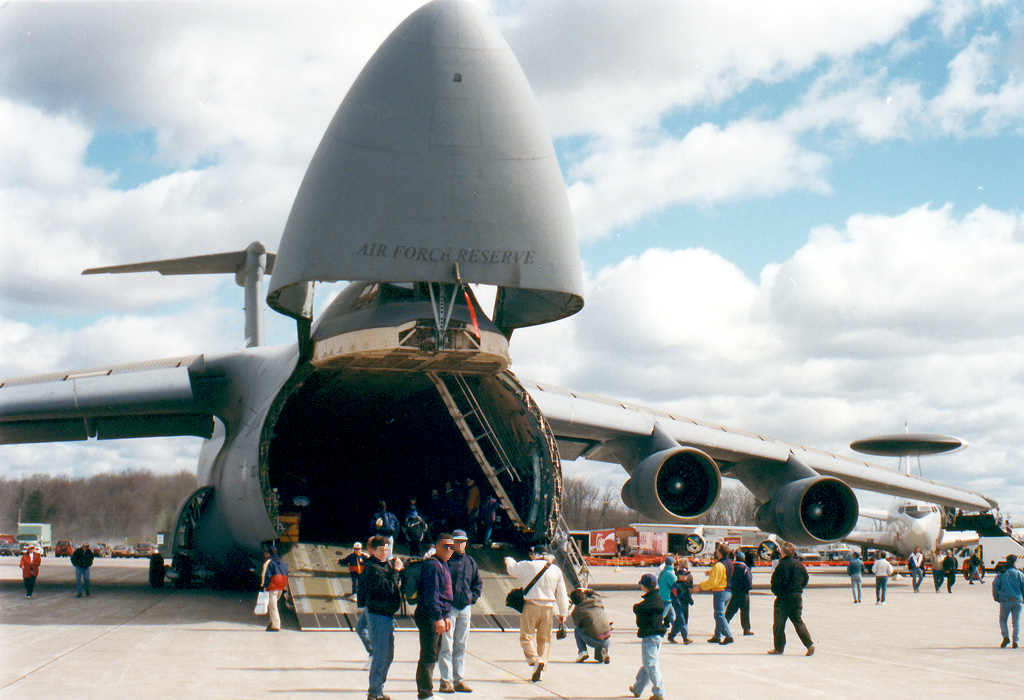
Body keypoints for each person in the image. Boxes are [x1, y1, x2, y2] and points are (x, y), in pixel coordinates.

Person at [504, 545, 570, 682]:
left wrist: (509, 559)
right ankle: (541, 670)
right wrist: (563, 613)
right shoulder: (556, 570)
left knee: (526, 637)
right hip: (548, 608)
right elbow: (562, 593)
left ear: (536, 554)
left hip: (531, 605)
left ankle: (535, 660)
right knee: (545, 640)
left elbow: (512, 569)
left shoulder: (529, 565)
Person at [359, 535, 405, 700]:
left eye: (387, 549)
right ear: (373, 551)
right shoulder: (373, 568)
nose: (385, 552)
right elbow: (386, 589)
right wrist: (396, 571)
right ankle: (374, 692)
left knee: (388, 654)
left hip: (385, 615)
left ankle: (378, 688)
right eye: (381, 549)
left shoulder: (384, 565)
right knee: (381, 654)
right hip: (378, 615)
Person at [438, 530, 482, 693]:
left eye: (463, 541)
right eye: (457, 541)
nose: (461, 544)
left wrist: (472, 598)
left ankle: (459, 679)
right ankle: (445, 680)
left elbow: (477, 582)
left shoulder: (470, 561)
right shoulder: (446, 561)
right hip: (449, 609)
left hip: (465, 608)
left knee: (461, 645)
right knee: (446, 645)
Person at [415, 532, 455, 699]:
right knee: (429, 654)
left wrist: (445, 616)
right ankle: (425, 693)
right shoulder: (433, 566)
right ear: (437, 547)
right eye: (445, 546)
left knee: (434, 653)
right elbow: (432, 595)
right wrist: (438, 617)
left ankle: (426, 691)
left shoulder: (443, 564)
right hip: (429, 616)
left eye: (451, 547)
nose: (448, 550)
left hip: (437, 615)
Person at [767, 542, 814, 656]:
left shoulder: (781, 565)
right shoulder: (799, 564)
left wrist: (777, 592)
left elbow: (774, 582)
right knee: (798, 622)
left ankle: (779, 648)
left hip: (783, 598)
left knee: (779, 625)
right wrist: (798, 588)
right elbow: (806, 578)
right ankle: (809, 644)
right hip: (796, 597)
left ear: (782, 552)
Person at [628, 573, 665, 700]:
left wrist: (636, 607)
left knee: (650, 664)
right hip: (657, 635)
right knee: (647, 663)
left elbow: (640, 609)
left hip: (650, 636)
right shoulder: (657, 598)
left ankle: (659, 692)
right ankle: (638, 688)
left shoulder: (648, 603)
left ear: (644, 586)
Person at [691, 542, 734, 644]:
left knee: (719, 615)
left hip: (720, 592)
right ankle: (717, 635)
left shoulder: (718, 565)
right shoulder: (729, 563)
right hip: (728, 591)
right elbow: (723, 574)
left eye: (718, 550)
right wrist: (711, 572)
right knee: (720, 614)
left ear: (720, 553)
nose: (716, 552)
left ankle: (728, 635)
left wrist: (700, 587)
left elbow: (713, 582)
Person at [569, 587, 612, 663]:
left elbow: (579, 625)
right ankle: (604, 651)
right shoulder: (595, 600)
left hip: (594, 640)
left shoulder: (576, 612)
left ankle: (583, 652)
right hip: (607, 638)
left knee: (578, 630)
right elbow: (595, 594)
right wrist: (586, 590)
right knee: (599, 658)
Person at [992, 554, 1024, 648]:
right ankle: (1015, 641)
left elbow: (995, 584)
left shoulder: (1001, 573)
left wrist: (996, 596)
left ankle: (1005, 637)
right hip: (1017, 600)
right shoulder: (1019, 573)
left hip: (1005, 600)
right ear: (1015, 562)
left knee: (1003, 620)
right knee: (1016, 622)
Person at [724, 550, 754, 635]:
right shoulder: (745, 568)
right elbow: (748, 580)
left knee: (730, 610)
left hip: (734, 592)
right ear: (743, 559)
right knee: (745, 611)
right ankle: (746, 629)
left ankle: (723, 626)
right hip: (744, 593)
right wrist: (748, 588)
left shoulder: (731, 567)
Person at [261, 545, 289, 632]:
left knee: (273, 607)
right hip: (281, 587)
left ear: (269, 554)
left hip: (273, 587)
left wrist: (264, 586)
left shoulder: (269, 562)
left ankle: (276, 625)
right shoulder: (282, 562)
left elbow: (266, 575)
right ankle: (271, 623)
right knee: (273, 605)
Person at [667, 560, 693, 644]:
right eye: (683, 575)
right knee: (682, 621)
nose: (685, 577)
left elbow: (687, 594)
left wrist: (690, 600)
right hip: (678, 606)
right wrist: (676, 602)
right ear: (679, 576)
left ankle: (672, 635)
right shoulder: (676, 585)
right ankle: (685, 637)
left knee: (678, 621)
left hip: (684, 605)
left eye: (686, 575)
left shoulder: (685, 585)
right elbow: (673, 595)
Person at [656, 555, 676, 630]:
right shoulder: (670, 573)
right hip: (667, 597)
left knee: (671, 614)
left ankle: (675, 627)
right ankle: (656, 625)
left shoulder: (662, 572)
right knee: (663, 614)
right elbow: (674, 584)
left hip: (661, 595)